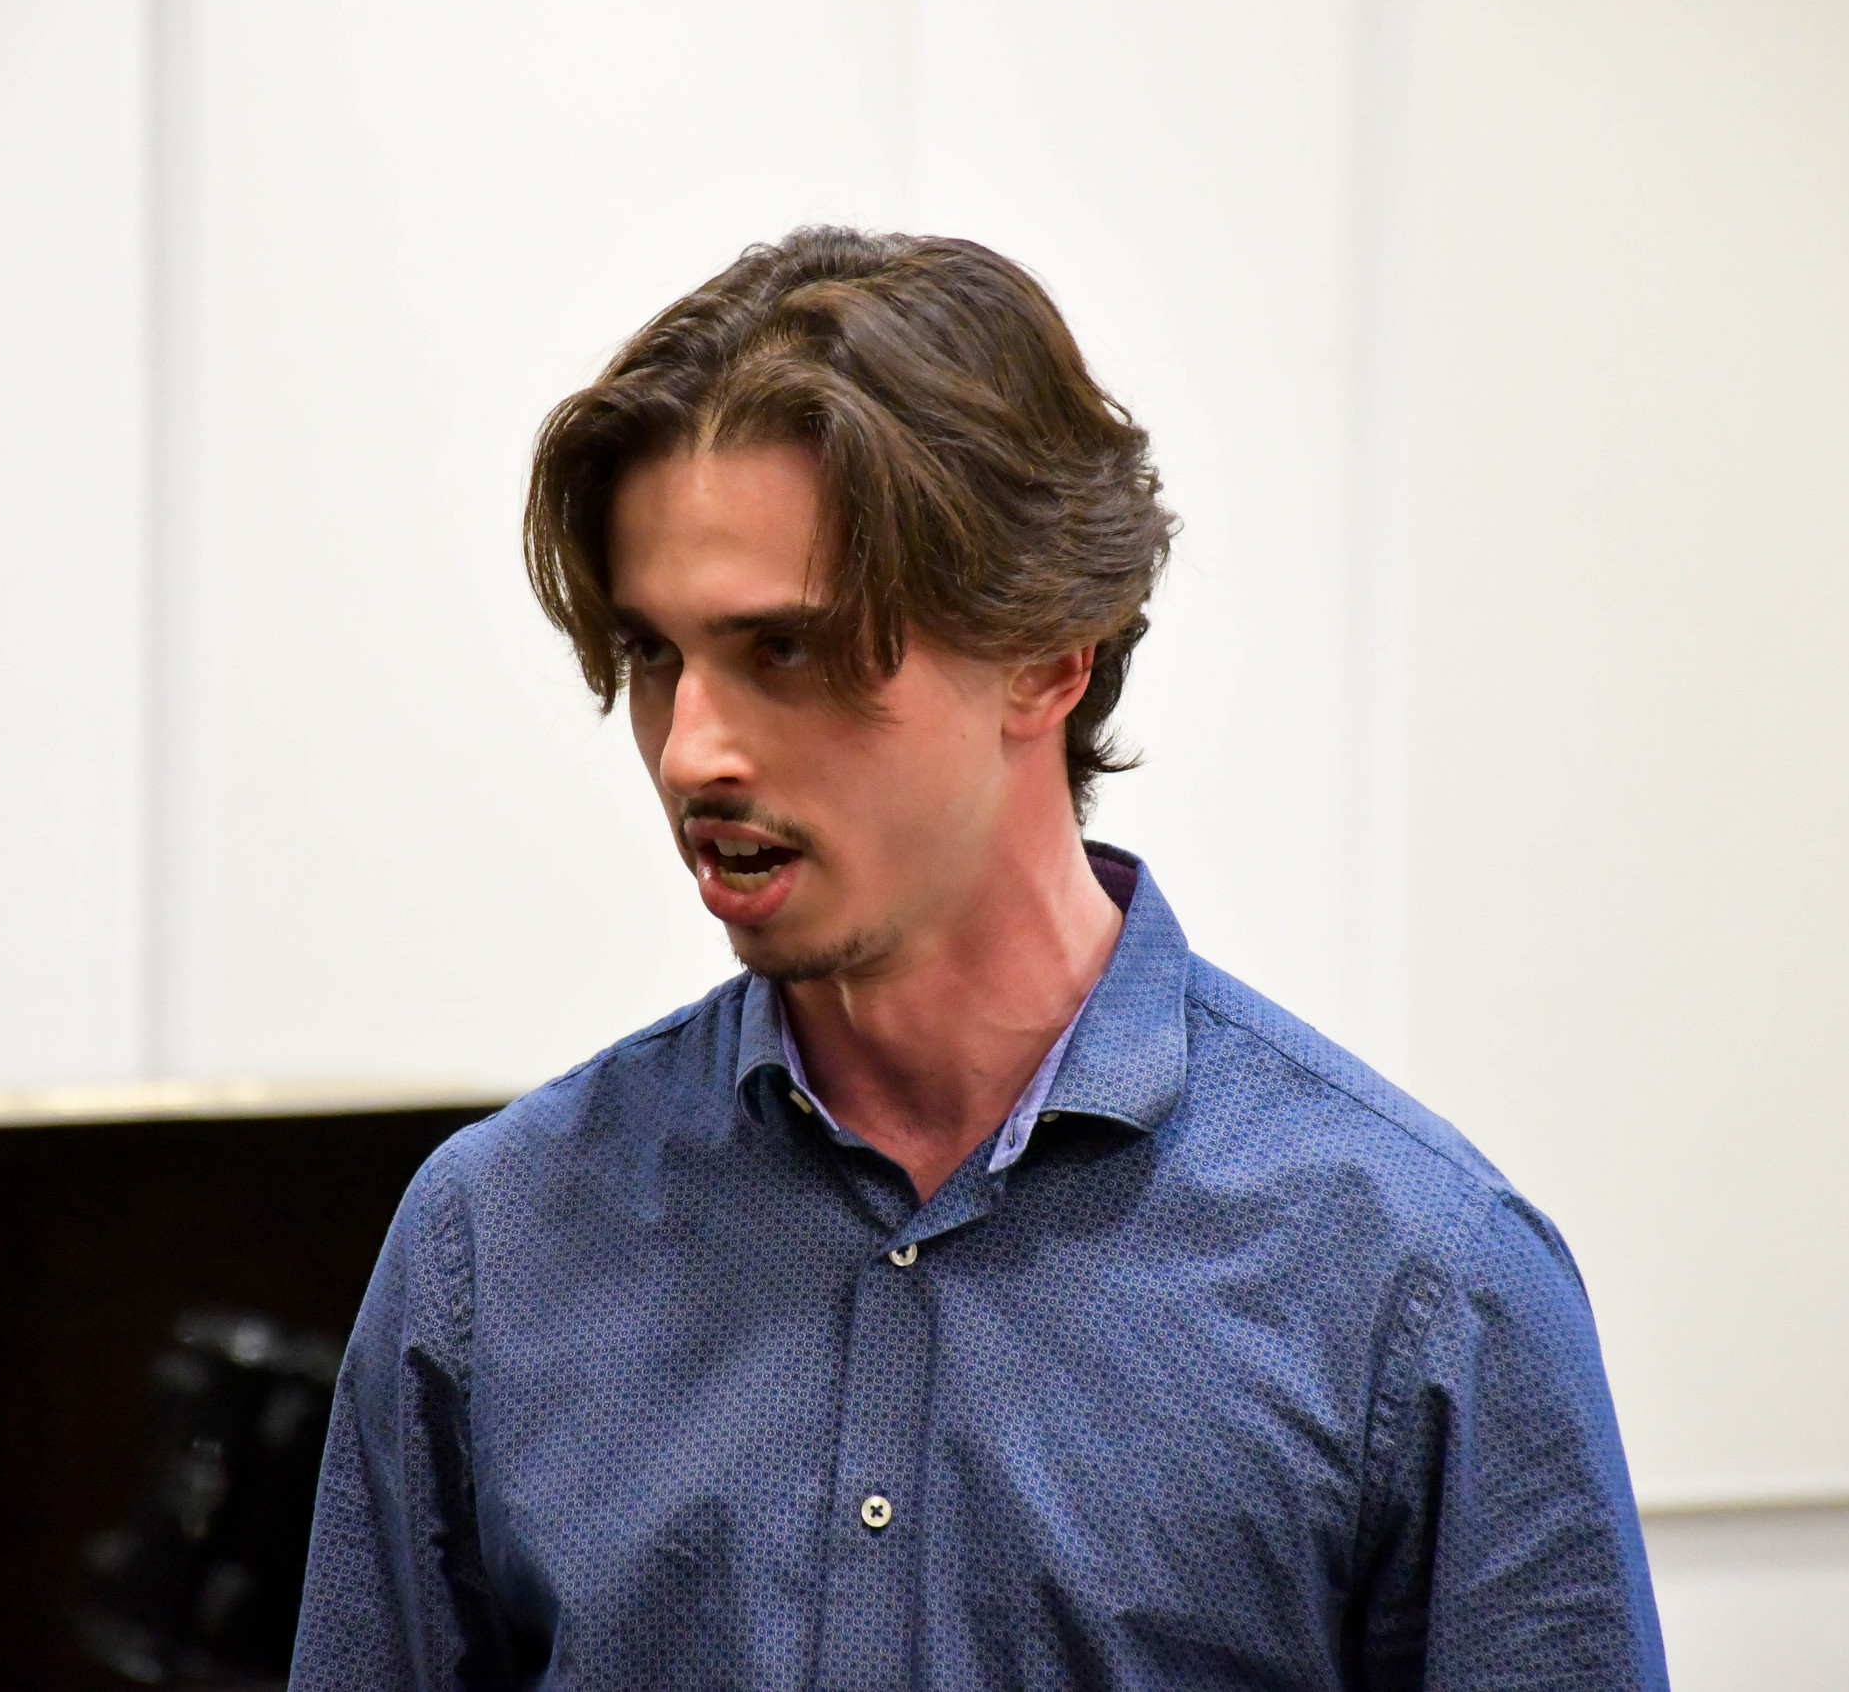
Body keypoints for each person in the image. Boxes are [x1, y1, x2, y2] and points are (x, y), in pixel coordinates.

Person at [291, 227, 1667, 1690]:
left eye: (786, 651)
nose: (692, 749)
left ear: (1049, 653)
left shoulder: (1416, 1281)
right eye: (654, 658)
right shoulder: (495, 1245)